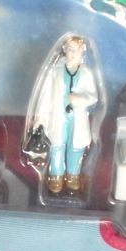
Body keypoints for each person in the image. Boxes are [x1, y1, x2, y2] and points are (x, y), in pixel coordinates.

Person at [29, 34, 98, 193]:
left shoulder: (86, 72)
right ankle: (56, 175)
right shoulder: (54, 71)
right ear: (65, 50)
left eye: (77, 51)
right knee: (57, 146)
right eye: (71, 50)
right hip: (58, 116)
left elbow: (93, 96)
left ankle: (73, 175)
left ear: (82, 52)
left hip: (77, 117)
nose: (73, 54)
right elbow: (45, 94)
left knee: (76, 147)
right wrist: (40, 116)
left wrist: (80, 98)